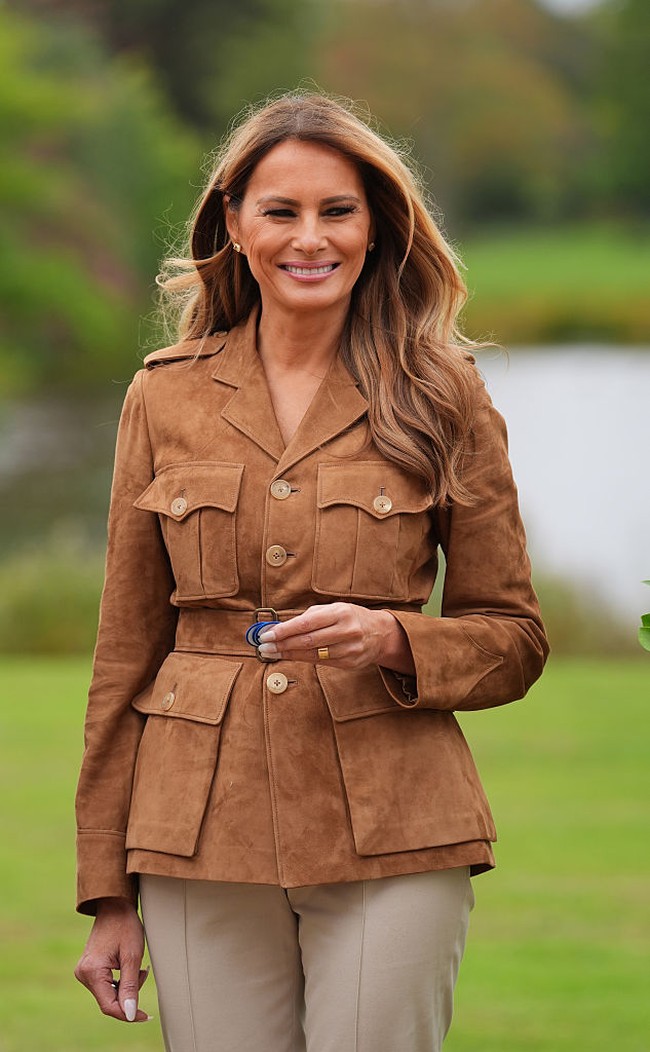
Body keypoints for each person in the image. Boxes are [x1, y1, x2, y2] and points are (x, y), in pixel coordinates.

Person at [74, 92, 548, 1052]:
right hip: (197, 833)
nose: (310, 238)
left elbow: (514, 637)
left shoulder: (442, 394)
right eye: (280, 211)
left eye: (337, 210)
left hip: (397, 826)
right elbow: (125, 655)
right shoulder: (162, 396)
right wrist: (104, 893)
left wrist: (396, 636)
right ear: (235, 227)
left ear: (376, 229)